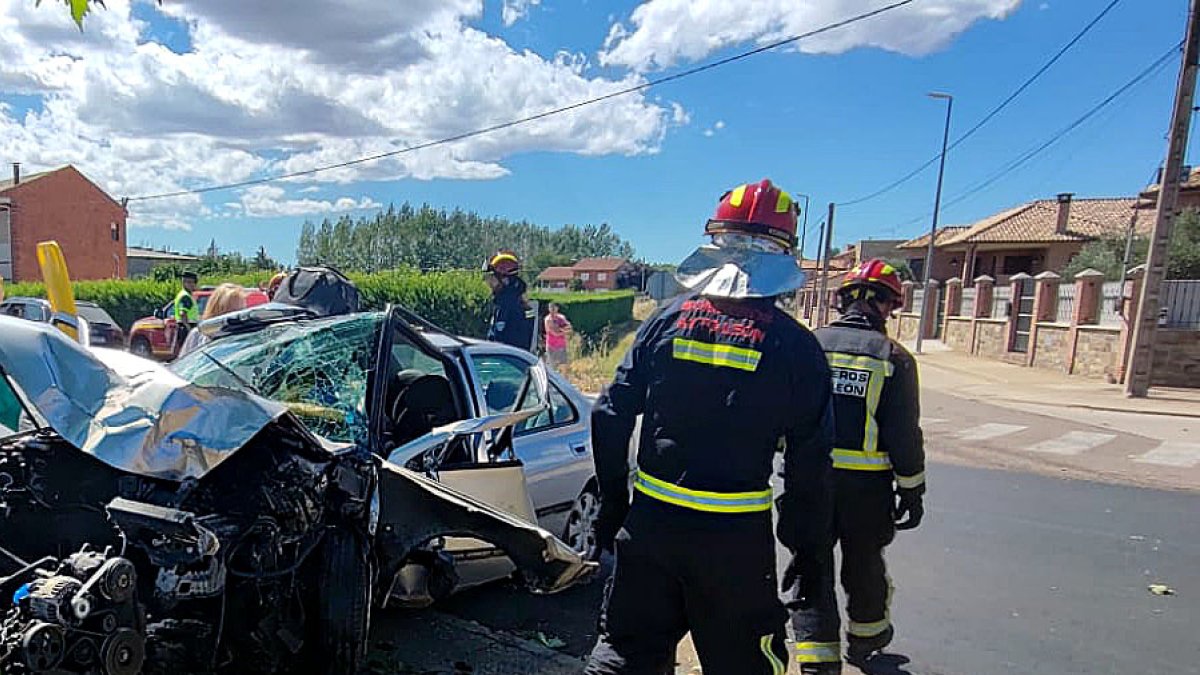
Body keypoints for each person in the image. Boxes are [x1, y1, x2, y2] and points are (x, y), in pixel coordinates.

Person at [585, 179, 835, 675]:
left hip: (651, 529)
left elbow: (608, 413)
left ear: (717, 243)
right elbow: (810, 467)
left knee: (624, 657)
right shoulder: (797, 348)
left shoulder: (665, 321)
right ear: (783, 254)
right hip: (734, 543)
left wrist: (614, 508)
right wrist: (804, 549)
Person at [789, 259, 926, 673]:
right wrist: (912, 490)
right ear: (886, 306)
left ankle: (817, 661)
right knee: (864, 564)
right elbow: (904, 435)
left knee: (811, 566)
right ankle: (866, 641)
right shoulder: (893, 357)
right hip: (867, 490)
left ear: (842, 300)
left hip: (808, 483)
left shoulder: (809, 345)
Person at [483, 251, 535, 350]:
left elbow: (498, 337)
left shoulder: (505, 303)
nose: (488, 281)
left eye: (492, 276)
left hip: (504, 357)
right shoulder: (514, 299)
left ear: (504, 280)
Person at [178, 283, 246, 357]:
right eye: (232, 311)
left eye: (241, 310)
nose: (237, 316)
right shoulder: (198, 335)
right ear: (217, 309)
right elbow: (184, 363)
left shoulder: (245, 337)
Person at [172, 271, 200, 355]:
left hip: (183, 327)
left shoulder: (184, 294)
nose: (192, 285)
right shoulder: (185, 296)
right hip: (186, 327)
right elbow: (182, 313)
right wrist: (189, 329)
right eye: (188, 282)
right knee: (189, 354)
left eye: (193, 282)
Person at [543, 303, 572, 367]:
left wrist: (561, 329)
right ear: (549, 309)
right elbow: (555, 333)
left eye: (554, 307)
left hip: (561, 345)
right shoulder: (548, 319)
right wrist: (563, 331)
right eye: (551, 307)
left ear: (557, 308)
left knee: (563, 366)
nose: (553, 309)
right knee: (552, 366)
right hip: (551, 346)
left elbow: (569, 328)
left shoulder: (562, 317)